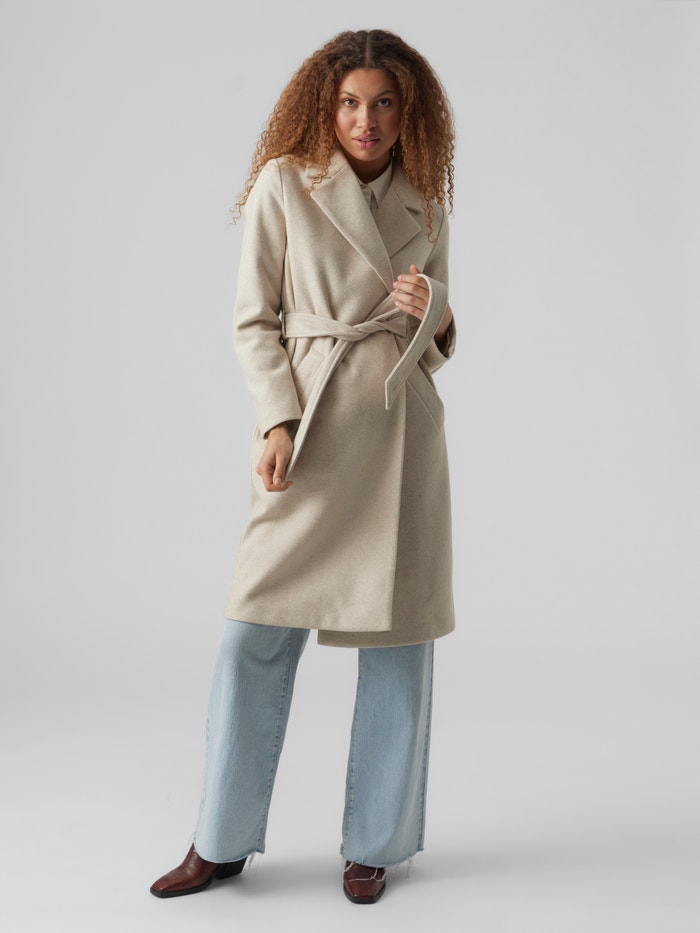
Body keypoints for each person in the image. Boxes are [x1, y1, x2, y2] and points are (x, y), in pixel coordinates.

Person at [150, 27, 457, 906]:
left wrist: (435, 309)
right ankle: (219, 838)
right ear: (328, 106)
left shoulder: (426, 201)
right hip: (312, 431)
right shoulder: (285, 184)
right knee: (252, 633)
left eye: (384, 103)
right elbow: (254, 318)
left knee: (398, 645)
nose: (366, 120)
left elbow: (437, 341)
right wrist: (277, 418)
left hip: (400, 435)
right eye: (351, 102)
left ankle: (376, 843)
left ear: (408, 111)